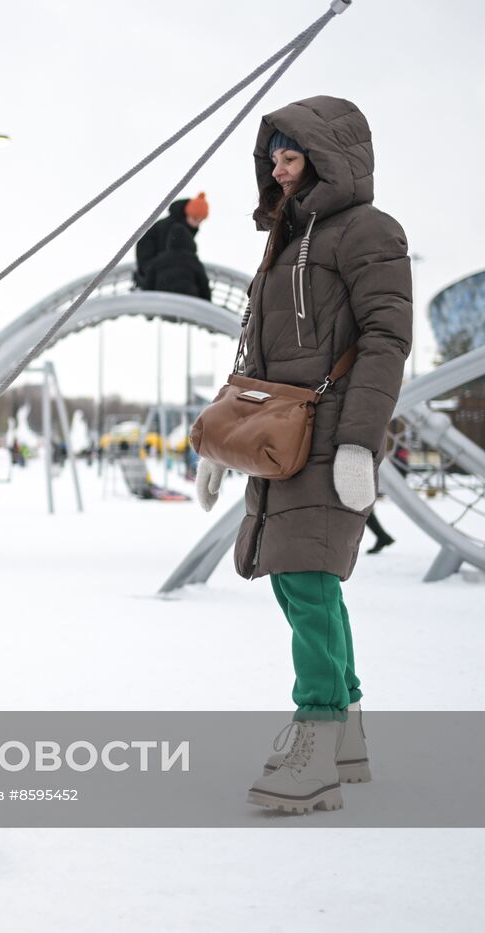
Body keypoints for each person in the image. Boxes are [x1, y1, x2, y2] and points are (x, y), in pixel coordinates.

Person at [194, 97, 411, 812]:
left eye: (292, 155)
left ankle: (317, 730)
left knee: (307, 578)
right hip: (280, 437)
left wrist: (359, 442)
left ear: (328, 156)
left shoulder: (368, 231)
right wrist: (221, 441)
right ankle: (343, 731)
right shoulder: (285, 242)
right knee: (301, 581)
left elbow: (385, 339)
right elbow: (257, 354)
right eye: (274, 158)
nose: (281, 170)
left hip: (328, 434)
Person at [134, 192, 212, 300]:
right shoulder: (173, 228)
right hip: (154, 270)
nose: (197, 224)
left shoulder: (182, 227)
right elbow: (169, 258)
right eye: (195, 219)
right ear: (187, 213)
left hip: (158, 271)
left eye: (200, 221)